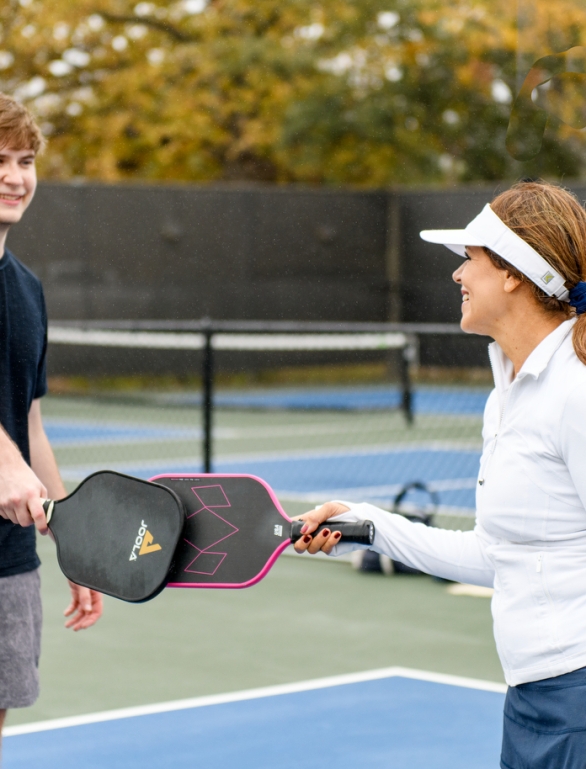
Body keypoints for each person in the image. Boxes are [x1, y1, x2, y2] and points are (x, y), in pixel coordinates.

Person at [295, 180, 586, 768]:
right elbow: (495, 555)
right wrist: (368, 523)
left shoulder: (575, 391)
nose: (458, 275)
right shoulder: (507, 395)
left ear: (513, 274)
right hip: (535, 694)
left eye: (469, 260)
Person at [0, 94, 102, 744]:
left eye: (25, 159)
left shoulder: (28, 289)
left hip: (8, 558)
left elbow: (31, 424)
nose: (15, 175)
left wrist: (73, 539)